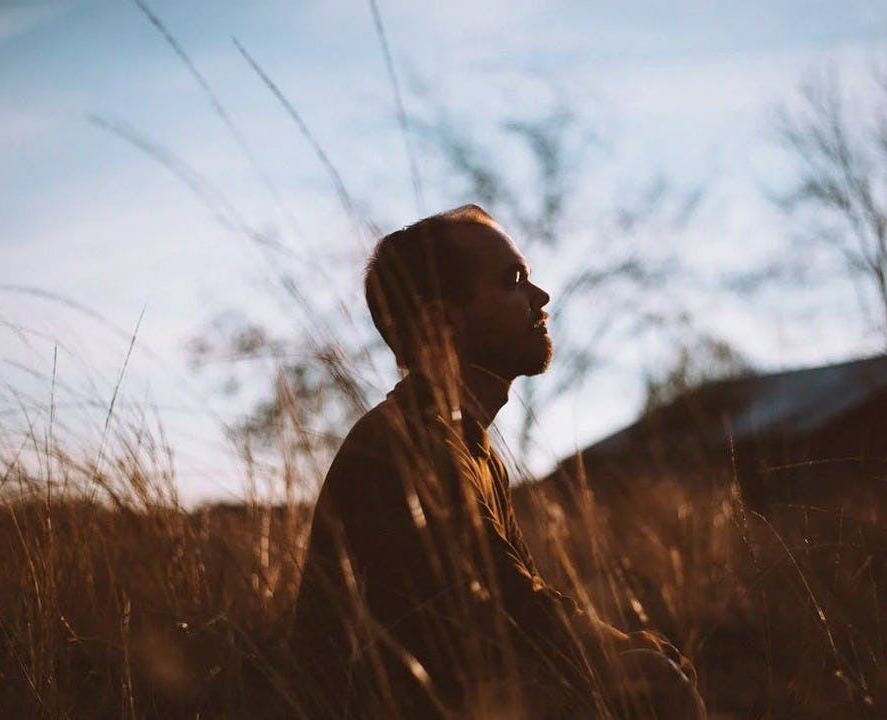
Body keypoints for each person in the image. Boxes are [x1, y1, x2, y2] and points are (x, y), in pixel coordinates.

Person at [290, 205, 705, 719]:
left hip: (448, 696)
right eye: (514, 281)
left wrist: (626, 646)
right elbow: (511, 610)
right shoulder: (412, 447)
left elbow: (520, 596)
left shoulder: (470, 444)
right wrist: (623, 652)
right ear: (443, 321)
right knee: (652, 685)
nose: (541, 297)